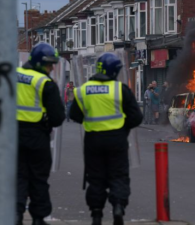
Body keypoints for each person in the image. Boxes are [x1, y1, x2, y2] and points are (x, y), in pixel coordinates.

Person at [69, 53, 143, 225]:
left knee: (96, 177)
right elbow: (136, 117)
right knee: (118, 175)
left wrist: (90, 119)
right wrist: (123, 126)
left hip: (93, 140)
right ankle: (118, 206)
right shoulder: (120, 90)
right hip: (117, 139)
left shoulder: (83, 90)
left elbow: (74, 115)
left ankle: (96, 213)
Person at [16, 42, 65, 225]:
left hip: (12, 136)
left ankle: (15, 215)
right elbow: (58, 117)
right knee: (38, 179)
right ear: (39, 63)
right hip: (37, 136)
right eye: (49, 64)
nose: (52, 68)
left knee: (18, 178)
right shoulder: (45, 83)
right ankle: (38, 218)